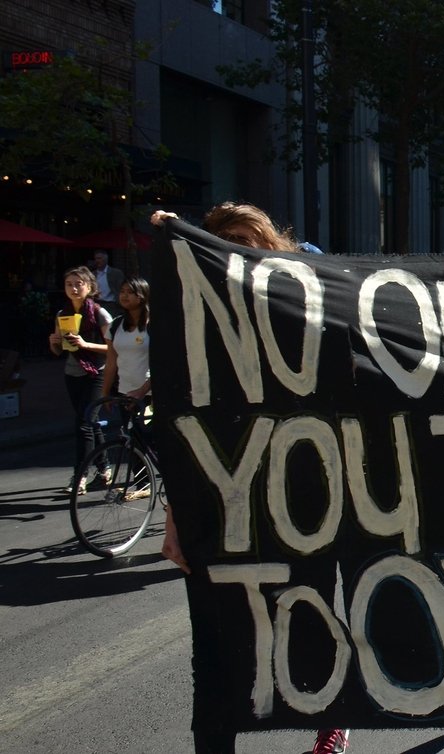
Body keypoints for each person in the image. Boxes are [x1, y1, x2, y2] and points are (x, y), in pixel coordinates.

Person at [154, 204, 349, 754]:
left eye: (249, 240)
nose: (239, 250)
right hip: (222, 501)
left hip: (307, 496)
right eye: (225, 242)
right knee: (218, 640)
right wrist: (174, 515)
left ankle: (332, 723)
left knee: (311, 620)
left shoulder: (308, 303)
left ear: (272, 246)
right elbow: (180, 421)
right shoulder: (196, 323)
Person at [48, 266, 113, 493]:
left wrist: (86, 345)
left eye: (79, 284)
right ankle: (104, 469)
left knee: (84, 424)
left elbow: (113, 348)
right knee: (89, 422)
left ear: (90, 287)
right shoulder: (62, 314)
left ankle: (80, 475)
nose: (74, 288)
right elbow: (58, 352)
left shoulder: (99, 313)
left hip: (97, 373)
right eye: (69, 284)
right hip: (72, 372)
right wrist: (53, 341)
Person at [101, 277, 152, 402]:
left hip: (151, 393)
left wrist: (142, 390)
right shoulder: (115, 325)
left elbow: (163, 364)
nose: (124, 295)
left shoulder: (155, 325)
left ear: (141, 296)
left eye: (130, 292)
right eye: (122, 291)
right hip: (124, 392)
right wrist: (105, 394)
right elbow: (111, 363)